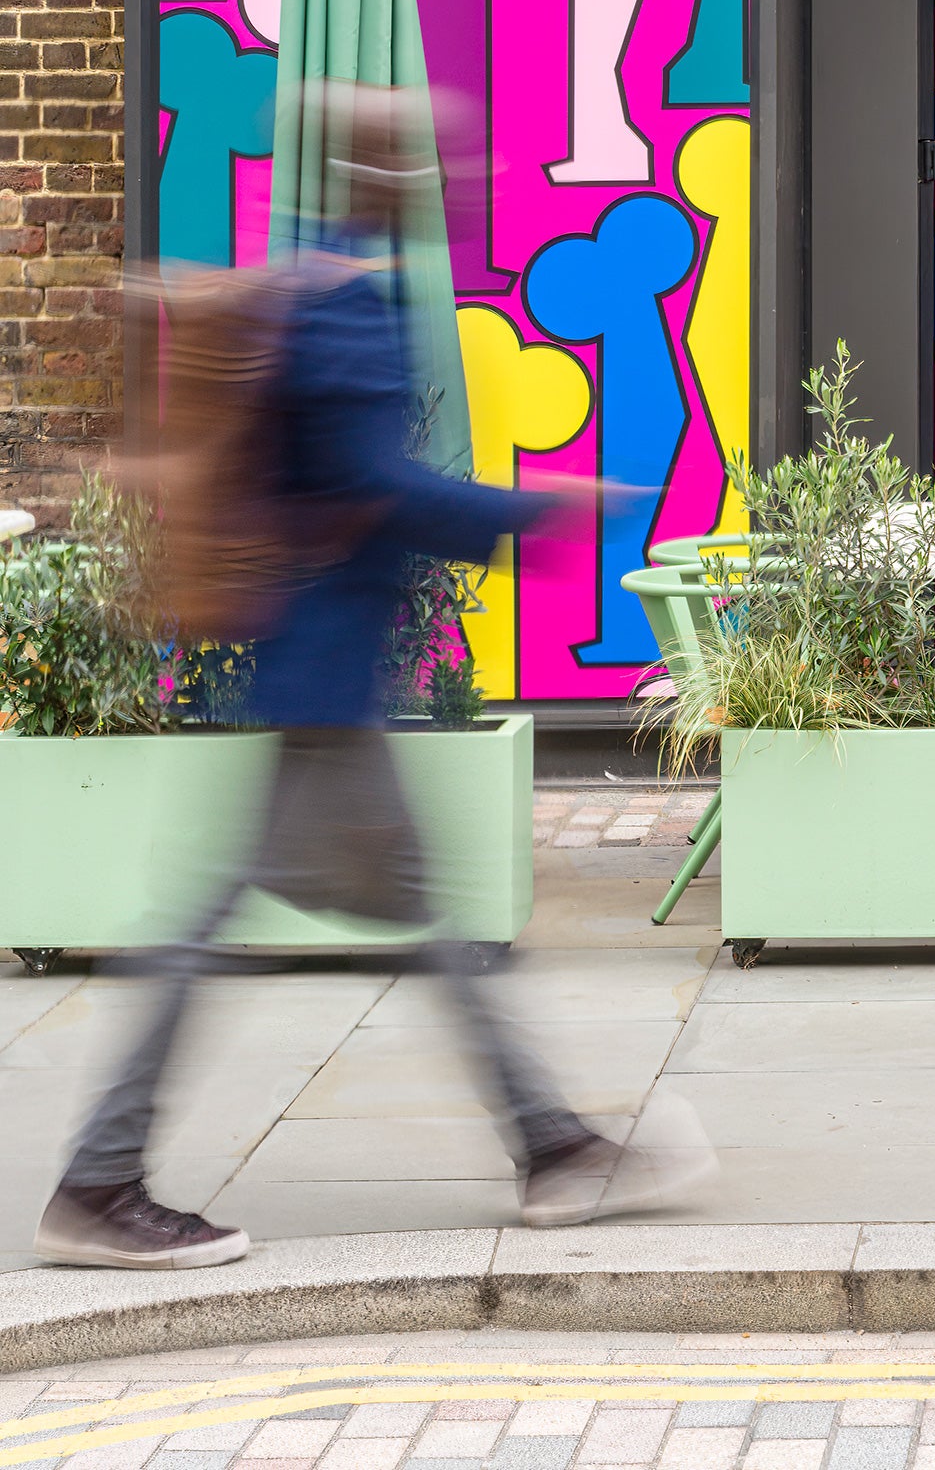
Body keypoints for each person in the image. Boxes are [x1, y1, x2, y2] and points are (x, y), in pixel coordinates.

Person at [39, 88, 698, 1269]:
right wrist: (538, 506)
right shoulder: (346, 314)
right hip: (324, 672)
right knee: (227, 927)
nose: (461, 171)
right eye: (437, 158)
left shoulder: (318, 288)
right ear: (389, 178)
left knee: (409, 921)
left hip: (316, 669)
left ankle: (552, 1147)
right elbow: (377, 485)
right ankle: (98, 1182)